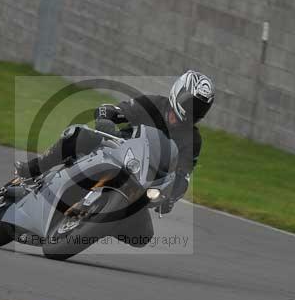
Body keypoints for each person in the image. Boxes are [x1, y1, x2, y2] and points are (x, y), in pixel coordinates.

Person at [15, 70, 215, 217]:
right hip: (117, 149)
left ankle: (95, 223)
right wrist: (106, 120)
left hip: (141, 180)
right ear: (179, 92)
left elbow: (183, 175)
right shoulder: (153, 104)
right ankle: (34, 169)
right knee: (78, 135)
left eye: (200, 108)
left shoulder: (193, 139)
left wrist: (171, 197)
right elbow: (116, 110)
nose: (194, 111)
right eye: (191, 103)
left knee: (143, 237)